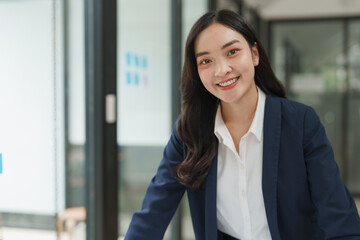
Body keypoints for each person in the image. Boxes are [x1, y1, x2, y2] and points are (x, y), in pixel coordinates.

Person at [125, 9, 360, 240]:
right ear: (196, 71)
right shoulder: (189, 130)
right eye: (206, 61)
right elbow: (153, 213)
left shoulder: (300, 123)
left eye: (232, 52)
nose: (221, 70)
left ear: (254, 54)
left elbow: (340, 220)